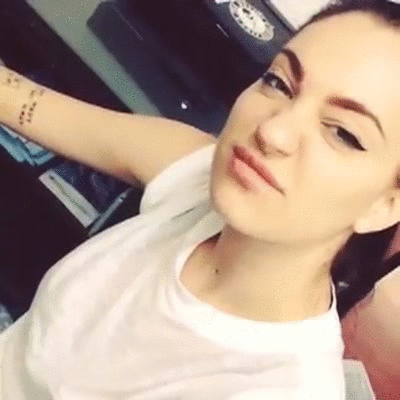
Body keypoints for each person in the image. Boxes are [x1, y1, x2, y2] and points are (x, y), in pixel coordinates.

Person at [1, 0, 400, 398]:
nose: (272, 132)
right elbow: (22, 102)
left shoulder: (278, 389)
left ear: (386, 204)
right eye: (279, 83)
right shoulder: (198, 172)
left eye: (343, 134)